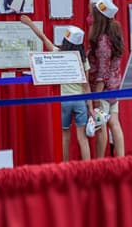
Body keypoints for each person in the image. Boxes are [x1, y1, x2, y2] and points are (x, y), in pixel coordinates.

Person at [18, 16, 92, 162]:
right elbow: (86, 85)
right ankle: (87, 168)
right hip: (80, 100)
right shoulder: (84, 61)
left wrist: (30, 23)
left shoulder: (58, 53)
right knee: (82, 138)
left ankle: (64, 167)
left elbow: (43, 38)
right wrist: (90, 107)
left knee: (65, 135)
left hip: (63, 100)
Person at [87, 0, 125, 158]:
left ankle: (99, 162)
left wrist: (96, 97)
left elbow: (102, 73)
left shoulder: (102, 40)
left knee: (101, 125)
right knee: (114, 122)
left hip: (103, 90)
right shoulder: (115, 34)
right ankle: (122, 159)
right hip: (115, 87)